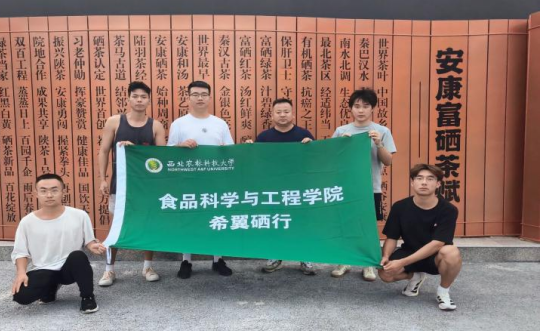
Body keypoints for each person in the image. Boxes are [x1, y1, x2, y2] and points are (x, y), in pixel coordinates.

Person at [97, 81, 166, 287]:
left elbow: (161, 157)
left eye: (143, 97)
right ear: (128, 98)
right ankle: (109, 270)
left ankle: (148, 267)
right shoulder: (114, 122)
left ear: (149, 100)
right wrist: (102, 178)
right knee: (116, 226)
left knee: (148, 223)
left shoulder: (155, 126)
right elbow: (104, 151)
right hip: (120, 184)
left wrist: (136, 150)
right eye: (135, 96)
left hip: (146, 185)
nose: (139, 100)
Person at [167, 80, 234, 279]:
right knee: (189, 219)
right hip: (188, 181)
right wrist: (180, 146)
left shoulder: (219, 123)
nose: (200, 98)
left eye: (204, 94)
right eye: (195, 94)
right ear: (188, 98)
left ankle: (218, 258)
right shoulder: (179, 124)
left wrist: (225, 150)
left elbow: (231, 150)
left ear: (210, 98)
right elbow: (168, 152)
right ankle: (186, 260)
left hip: (216, 180)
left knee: (216, 218)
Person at [11, 174, 106, 314]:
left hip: (69, 269)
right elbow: (20, 252)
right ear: (36, 194)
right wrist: (21, 273)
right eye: (43, 191)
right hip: (44, 270)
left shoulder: (79, 215)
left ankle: (87, 297)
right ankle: (50, 289)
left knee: (78, 256)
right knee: (21, 296)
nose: (49, 195)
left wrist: (93, 246)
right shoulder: (27, 222)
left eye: (54, 190)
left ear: (63, 192)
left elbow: (89, 241)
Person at [331, 88, 397, 281]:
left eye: (366, 106)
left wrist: (379, 143)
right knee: (345, 224)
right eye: (357, 106)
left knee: (368, 226)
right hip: (345, 187)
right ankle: (344, 261)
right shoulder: (342, 131)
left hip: (370, 187)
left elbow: (388, 161)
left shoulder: (382, 131)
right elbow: (331, 160)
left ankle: (368, 264)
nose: (361, 110)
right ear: (351, 109)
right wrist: (341, 146)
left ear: (373, 108)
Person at [246, 98, 316, 275]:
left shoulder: (304, 135)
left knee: (301, 223)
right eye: (278, 112)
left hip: (299, 188)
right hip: (273, 189)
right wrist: (248, 150)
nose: (282, 115)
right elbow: (256, 162)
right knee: (275, 222)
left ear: (293, 114)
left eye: (286, 111)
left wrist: (311, 147)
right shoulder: (264, 137)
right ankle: (275, 257)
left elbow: (315, 160)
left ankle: (305, 257)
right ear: (272, 115)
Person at [378, 164, 462, 311]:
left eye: (430, 179)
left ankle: (443, 291)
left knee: (451, 252)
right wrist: (385, 256)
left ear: (438, 184)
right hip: (409, 251)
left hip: (434, 256)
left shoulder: (448, 210)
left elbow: (437, 244)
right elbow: (391, 237)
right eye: (419, 178)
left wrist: (401, 262)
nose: (424, 182)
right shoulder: (400, 207)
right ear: (412, 182)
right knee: (385, 274)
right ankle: (414, 277)